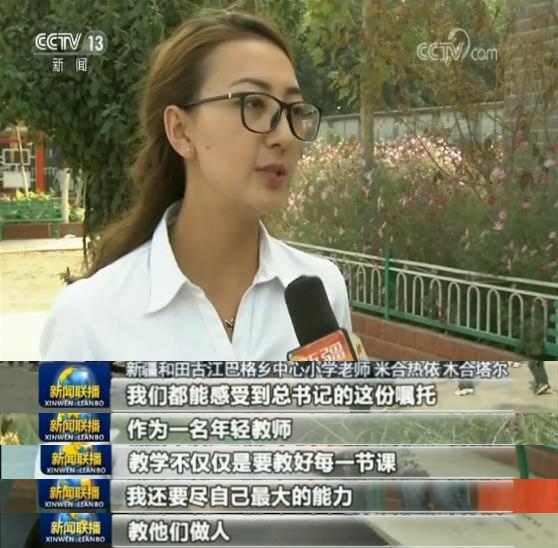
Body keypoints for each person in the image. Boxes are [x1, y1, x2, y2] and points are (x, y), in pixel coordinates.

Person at [39, 11, 351, 361]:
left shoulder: (322, 292)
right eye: (253, 103)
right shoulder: (88, 319)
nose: (284, 136)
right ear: (181, 131)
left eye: (294, 110)